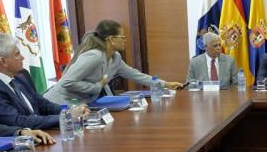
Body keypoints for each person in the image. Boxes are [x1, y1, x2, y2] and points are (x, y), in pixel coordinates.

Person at [44, 19, 178, 104]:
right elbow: (68, 81)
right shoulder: (93, 56)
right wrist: (96, 87)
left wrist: (165, 84)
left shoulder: (115, 58)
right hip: (58, 104)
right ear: (111, 39)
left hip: (79, 105)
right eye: (122, 37)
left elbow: (136, 75)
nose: (125, 40)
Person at [0, 33, 78, 130]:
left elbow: (43, 104)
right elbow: (18, 121)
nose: (22, 57)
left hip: (42, 133)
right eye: (17, 54)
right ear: (3, 61)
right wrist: (67, 116)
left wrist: (70, 111)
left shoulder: (20, 75)